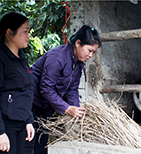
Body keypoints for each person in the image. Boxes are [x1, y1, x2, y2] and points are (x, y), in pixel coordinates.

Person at [24, 25, 101, 154]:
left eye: (93, 52)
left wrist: (76, 110)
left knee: (42, 139)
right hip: (31, 99)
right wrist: (67, 108)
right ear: (78, 43)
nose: (91, 55)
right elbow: (46, 88)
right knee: (29, 138)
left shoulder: (78, 63)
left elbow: (72, 89)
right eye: (89, 50)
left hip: (48, 102)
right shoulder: (57, 57)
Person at [0, 12, 35, 154]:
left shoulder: (22, 58)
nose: (28, 36)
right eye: (25, 31)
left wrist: (29, 120)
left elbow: (26, 91)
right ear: (9, 33)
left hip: (21, 124)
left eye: (29, 32)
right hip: (5, 125)